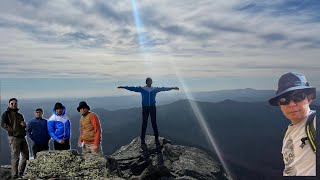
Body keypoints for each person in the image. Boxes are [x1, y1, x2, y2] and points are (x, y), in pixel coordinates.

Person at [269, 72, 316, 176]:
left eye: (298, 97)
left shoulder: (314, 122)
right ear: (279, 104)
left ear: (309, 98)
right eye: (284, 100)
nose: (291, 104)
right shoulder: (289, 131)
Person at [118, 77, 179, 147]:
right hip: (145, 108)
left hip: (152, 107)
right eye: (149, 81)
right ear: (146, 82)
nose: (150, 82)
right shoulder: (142, 89)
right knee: (144, 123)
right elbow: (132, 88)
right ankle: (143, 139)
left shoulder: (154, 89)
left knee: (154, 123)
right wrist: (123, 87)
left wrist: (173, 88)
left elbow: (164, 88)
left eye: (151, 81)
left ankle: (156, 138)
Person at [1, 98, 29, 179]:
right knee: (16, 157)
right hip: (14, 138)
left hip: (22, 137)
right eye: (12, 103)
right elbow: (2, 124)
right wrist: (11, 130)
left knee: (26, 155)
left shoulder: (20, 115)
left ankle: (21, 173)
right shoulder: (6, 114)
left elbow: (23, 125)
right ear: (9, 104)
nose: (14, 105)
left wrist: (24, 124)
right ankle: (14, 176)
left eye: (15, 103)